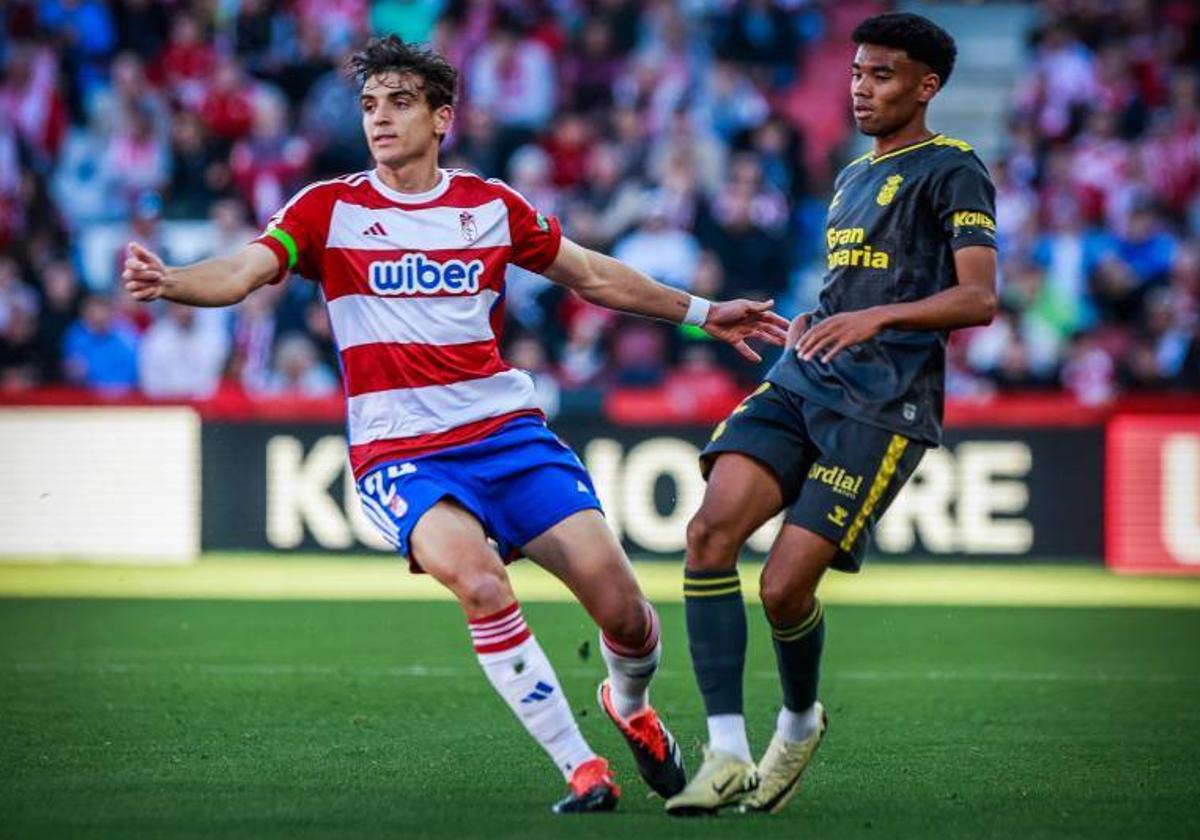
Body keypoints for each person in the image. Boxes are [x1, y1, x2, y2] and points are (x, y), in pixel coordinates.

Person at [121, 36, 789, 814]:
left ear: (442, 118)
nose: (380, 119)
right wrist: (172, 279)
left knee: (626, 615)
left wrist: (706, 314)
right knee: (479, 583)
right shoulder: (328, 210)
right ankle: (582, 768)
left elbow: (594, 274)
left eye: (400, 102)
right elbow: (242, 271)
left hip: (507, 435)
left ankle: (630, 707)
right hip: (402, 453)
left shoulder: (489, 208)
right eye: (370, 105)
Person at [666, 12, 998, 816]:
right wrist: (820, 319)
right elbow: (854, 288)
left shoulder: (953, 168)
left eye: (882, 75)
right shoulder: (850, 176)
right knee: (709, 534)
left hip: (883, 404)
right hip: (805, 378)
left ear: (927, 86)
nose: (861, 87)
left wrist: (877, 320)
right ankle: (725, 752)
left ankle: (800, 718)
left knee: (783, 590)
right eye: (855, 72)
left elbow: (979, 296)